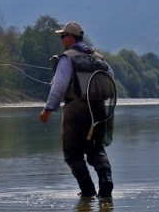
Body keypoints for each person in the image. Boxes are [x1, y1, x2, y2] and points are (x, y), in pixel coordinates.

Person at [39, 21, 114, 198]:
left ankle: (87, 191)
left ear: (71, 38)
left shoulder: (67, 58)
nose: (61, 40)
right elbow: (110, 78)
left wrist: (48, 109)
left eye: (63, 36)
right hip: (99, 109)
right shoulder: (100, 58)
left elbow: (58, 87)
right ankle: (106, 180)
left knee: (72, 154)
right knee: (96, 148)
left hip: (76, 109)